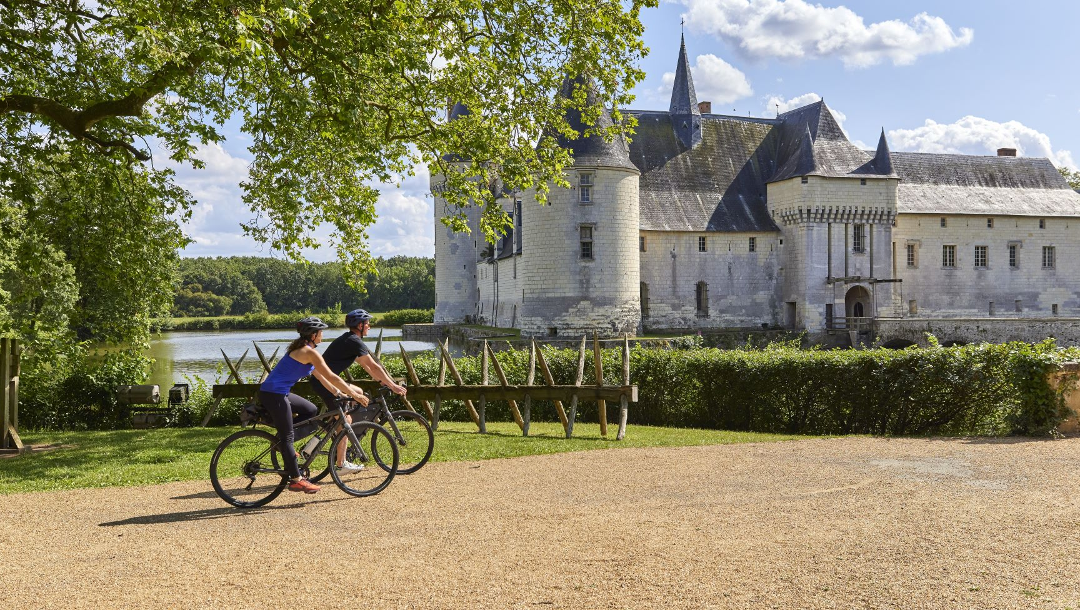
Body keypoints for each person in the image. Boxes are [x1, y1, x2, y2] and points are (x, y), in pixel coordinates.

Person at [258, 316, 368, 494]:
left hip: (279, 392)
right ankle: (296, 479)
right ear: (314, 335)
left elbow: (322, 377)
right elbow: (333, 376)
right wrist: (354, 394)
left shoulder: (304, 350)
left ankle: (284, 444)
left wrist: (338, 393)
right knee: (287, 438)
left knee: (311, 411)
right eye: (321, 332)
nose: (322, 335)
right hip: (274, 395)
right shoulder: (308, 352)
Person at [309, 309, 408, 470]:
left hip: (326, 381)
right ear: (360, 325)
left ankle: (337, 431)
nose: (369, 326)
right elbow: (373, 366)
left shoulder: (350, 340)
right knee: (346, 421)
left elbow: (367, 366)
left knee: (359, 392)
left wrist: (383, 381)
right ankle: (341, 464)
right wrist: (393, 385)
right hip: (325, 383)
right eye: (367, 323)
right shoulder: (354, 341)